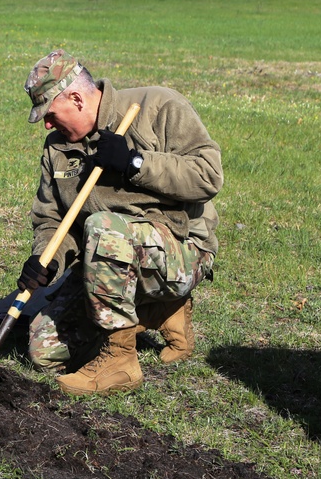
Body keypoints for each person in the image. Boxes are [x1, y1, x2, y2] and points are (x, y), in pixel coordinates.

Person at [17, 49, 222, 396]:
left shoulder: (157, 106)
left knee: (103, 227)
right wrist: (45, 260)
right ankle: (158, 310)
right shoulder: (58, 149)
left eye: (50, 114)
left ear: (77, 98)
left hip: (181, 251)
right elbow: (52, 218)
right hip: (108, 262)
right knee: (43, 351)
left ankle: (119, 361)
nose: (48, 125)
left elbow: (208, 176)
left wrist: (135, 163)